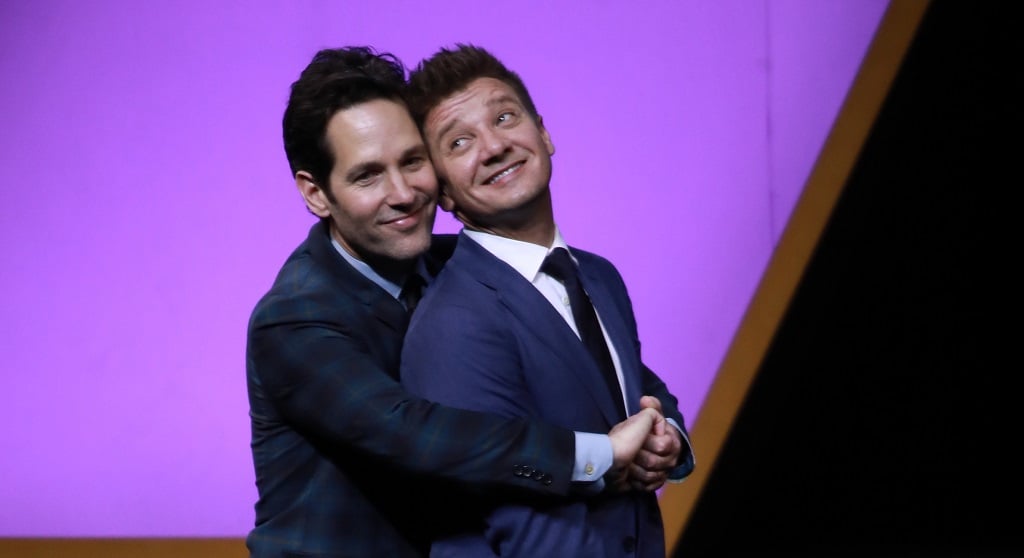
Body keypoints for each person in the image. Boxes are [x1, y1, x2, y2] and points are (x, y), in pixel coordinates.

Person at [245, 45, 673, 558]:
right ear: (316, 194)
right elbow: (415, 434)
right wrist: (600, 455)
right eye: (368, 175)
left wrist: (662, 432)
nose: (403, 193)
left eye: (412, 161)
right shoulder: (294, 318)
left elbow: (621, 371)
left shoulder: (462, 266)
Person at [400, 44, 695, 557]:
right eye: (461, 141)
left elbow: (637, 388)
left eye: (505, 117)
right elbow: (510, 475)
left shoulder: (600, 276)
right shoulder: (454, 320)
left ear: (544, 132)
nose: (493, 146)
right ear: (442, 193)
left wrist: (666, 435)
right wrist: (604, 460)